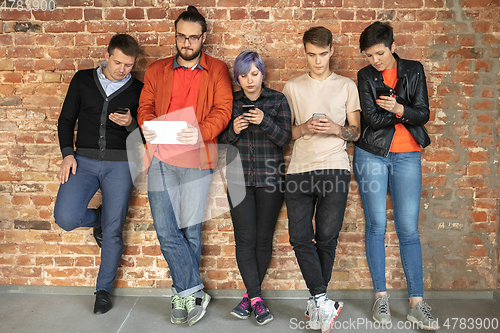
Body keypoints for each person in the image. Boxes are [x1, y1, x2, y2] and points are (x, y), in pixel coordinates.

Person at [137, 6, 232, 327]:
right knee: (166, 229)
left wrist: (198, 132)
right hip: (161, 156)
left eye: (193, 37)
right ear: (175, 35)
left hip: (198, 157)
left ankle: (183, 293)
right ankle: (194, 290)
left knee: (191, 230)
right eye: (182, 36)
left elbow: (223, 109)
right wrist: (150, 126)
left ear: (204, 37)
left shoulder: (217, 69)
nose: (187, 42)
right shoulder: (156, 70)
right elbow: (144, 107)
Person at [353, 21, 439, 331]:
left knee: (408, 228)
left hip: (408, 156)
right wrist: (404, 112)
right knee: (376, 224)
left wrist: (399, 108)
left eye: (379, 53)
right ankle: (381, 297)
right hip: (371, 153)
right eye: (369, 55)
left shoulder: (414, 70)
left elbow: (423, 113)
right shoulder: (365, 75)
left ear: (392, 46)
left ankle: (417, 303)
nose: (375, 60)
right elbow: (372, 121)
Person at [54, 34, 143, 314]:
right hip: (84, 161)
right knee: (65, 217)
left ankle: (102, 290)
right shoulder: (82, 80)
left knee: (114, 231)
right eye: (117, 62)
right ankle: (99, 218)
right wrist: (68, 153)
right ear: (107, 55)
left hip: (121, 163)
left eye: (128, 65)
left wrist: (131, 123)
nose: (122, 70)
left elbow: (144, 136)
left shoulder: (139, 89)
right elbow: (66, 118)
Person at [282, 26, 361, 333]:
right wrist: (303, 128)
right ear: (305, 53)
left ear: (331, 51)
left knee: (327, 238)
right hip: (299, 168)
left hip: (335, 167)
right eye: (311, 55)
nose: (317, 61)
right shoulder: (292, 87)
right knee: (299, 238)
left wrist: (334, 129)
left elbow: (356, 132)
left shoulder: (346, 86)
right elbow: (284, 133)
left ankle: (318, 303)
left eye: (322, 54)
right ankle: (322, 302)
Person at [219, 51, 292, 325]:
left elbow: (285, 138)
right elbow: (220, 141)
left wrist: (265, 121)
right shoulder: (230, 102)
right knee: (244, 240)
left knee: (263, 239)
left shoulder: (277, 100)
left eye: (254, 74)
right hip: (238, 181)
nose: (249, 81)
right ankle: (257, 299)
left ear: (262, 74)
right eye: (243, 75)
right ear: (237, 77)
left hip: (271, 179)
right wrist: (232, 131)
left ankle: (251, 297)